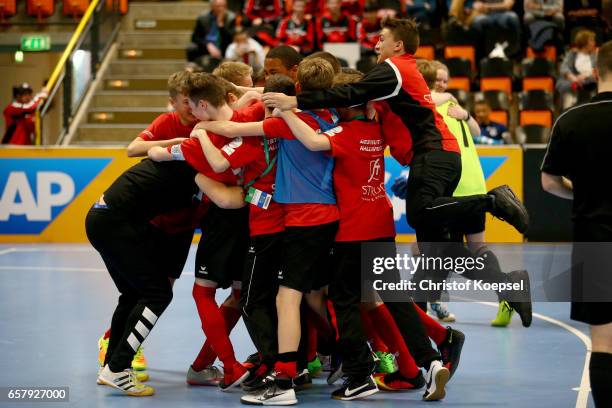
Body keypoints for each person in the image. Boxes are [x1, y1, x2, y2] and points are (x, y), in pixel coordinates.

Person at [196, 58, 340, 406]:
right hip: (328, 221)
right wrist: (250, 96)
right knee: (314, 298)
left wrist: (199, 133)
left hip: (289, 224)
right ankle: (329, 360)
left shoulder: (277, 128)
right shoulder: (331, 119)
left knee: (269, 300)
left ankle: (283, 372)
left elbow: (224, 146)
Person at [541, 40, 612, 408]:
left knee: (603, 340)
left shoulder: (571, 120)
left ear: (596, 71)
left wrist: (582, 193)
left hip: (594, 239)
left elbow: (549, 182)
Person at [556, 29, 598, 109]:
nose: (594, 43)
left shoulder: (594, 56)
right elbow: (564, 68)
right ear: (584, 42)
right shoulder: (572, 54)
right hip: (573, 83)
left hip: (589, 84)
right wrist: (574, 78)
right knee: (568, 91)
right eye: (591, 40)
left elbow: (597, 71)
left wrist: (585, 76)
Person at [187, 0, 237, 66]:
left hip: (224, 46)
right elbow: (195, 37)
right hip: (206, 47)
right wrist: (208, 44)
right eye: (218, 6)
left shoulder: (231, 18)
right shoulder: (202, 18)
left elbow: (230, 39)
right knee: (191, 48)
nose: (221, 8)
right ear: (212, 7)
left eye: (223, 6)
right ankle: (191, 68)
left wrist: (220, 25)